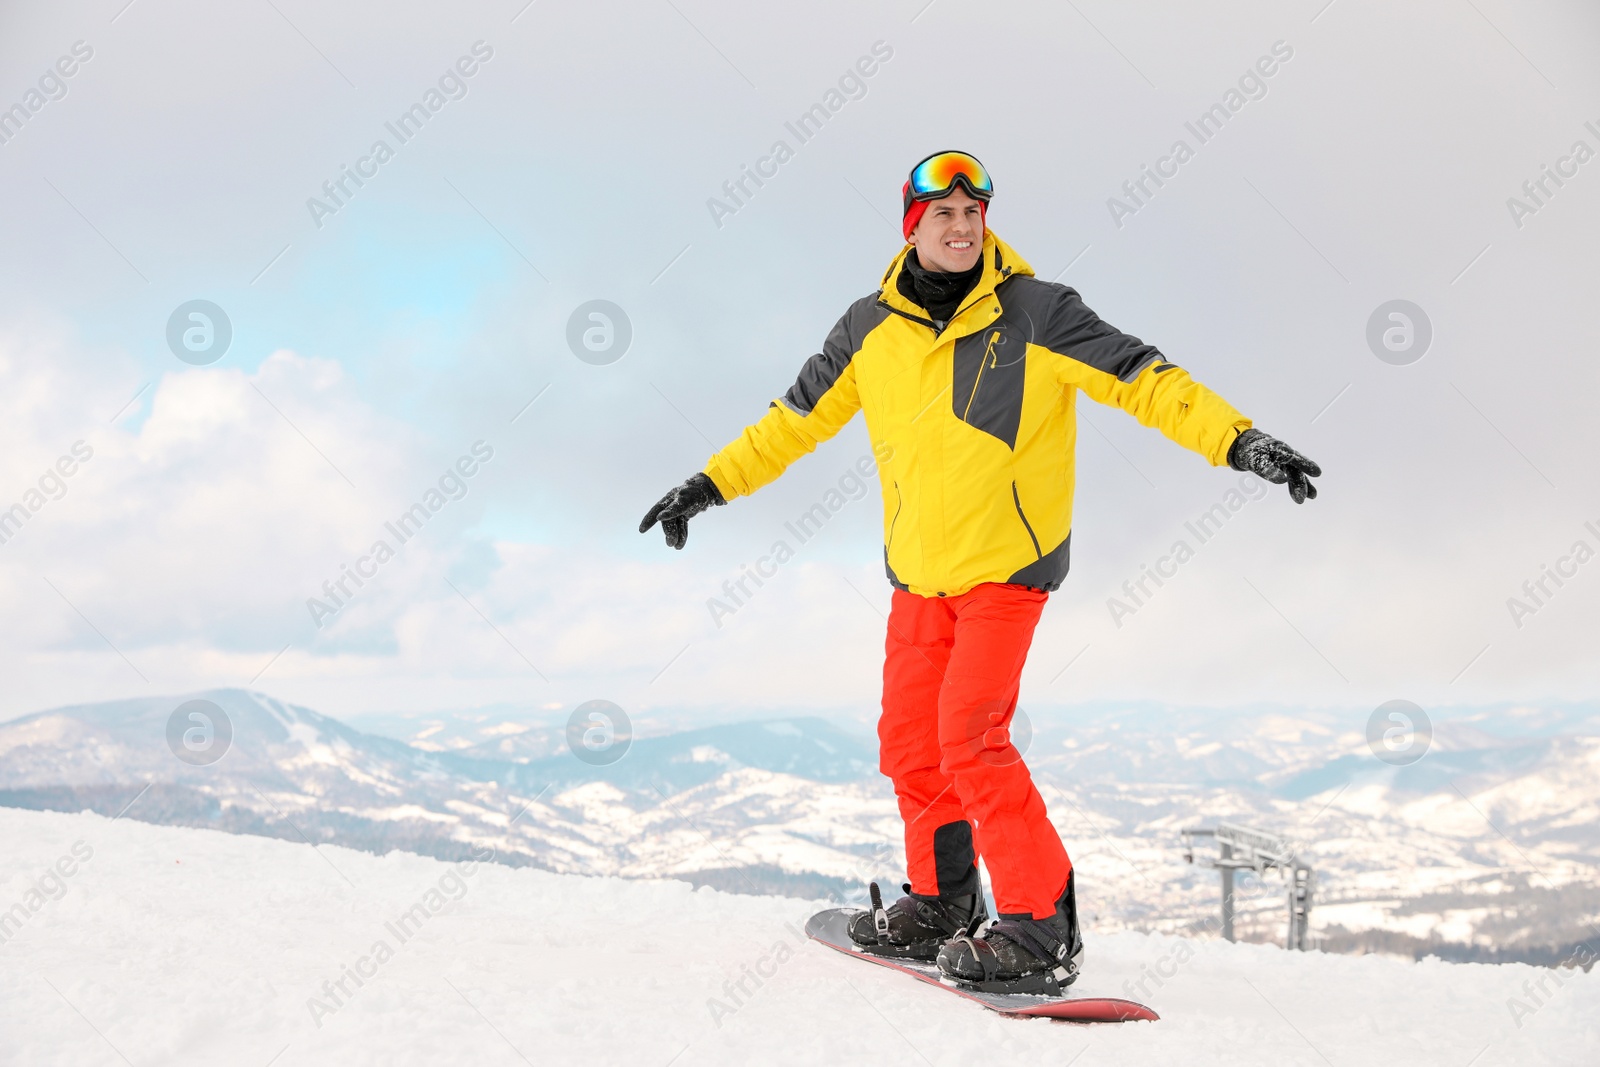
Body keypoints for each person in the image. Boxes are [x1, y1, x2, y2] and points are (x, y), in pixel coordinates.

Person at [640, 150, 1321, 994]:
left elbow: (1145, 378)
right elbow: (791, 421)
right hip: (919, 577)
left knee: (972, 738)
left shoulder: (1038, 312)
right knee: (911, 745)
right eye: (943, 216)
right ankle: (941, 903)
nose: (961, 228)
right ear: (912, 228)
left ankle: (1040, 927)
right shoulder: (867, 327)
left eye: (974, 214)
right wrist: (707, 486)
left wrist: (1240, 440)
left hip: (1007, 571)